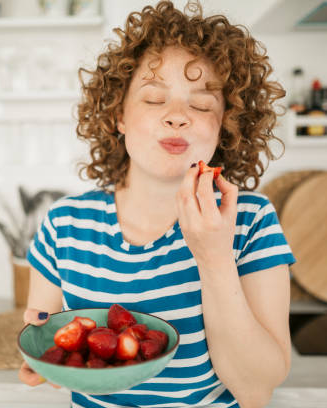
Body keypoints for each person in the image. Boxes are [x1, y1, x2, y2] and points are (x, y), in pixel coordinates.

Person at [18, 1, 295, 407]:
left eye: (201, 105)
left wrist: (215, 257)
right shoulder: (64, 226)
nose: (178, 116)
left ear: (225, 126)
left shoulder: (251, 222)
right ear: (119, 116)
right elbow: (44, 337)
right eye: (153, 99)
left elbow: (255, 391)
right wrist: (45, 360)